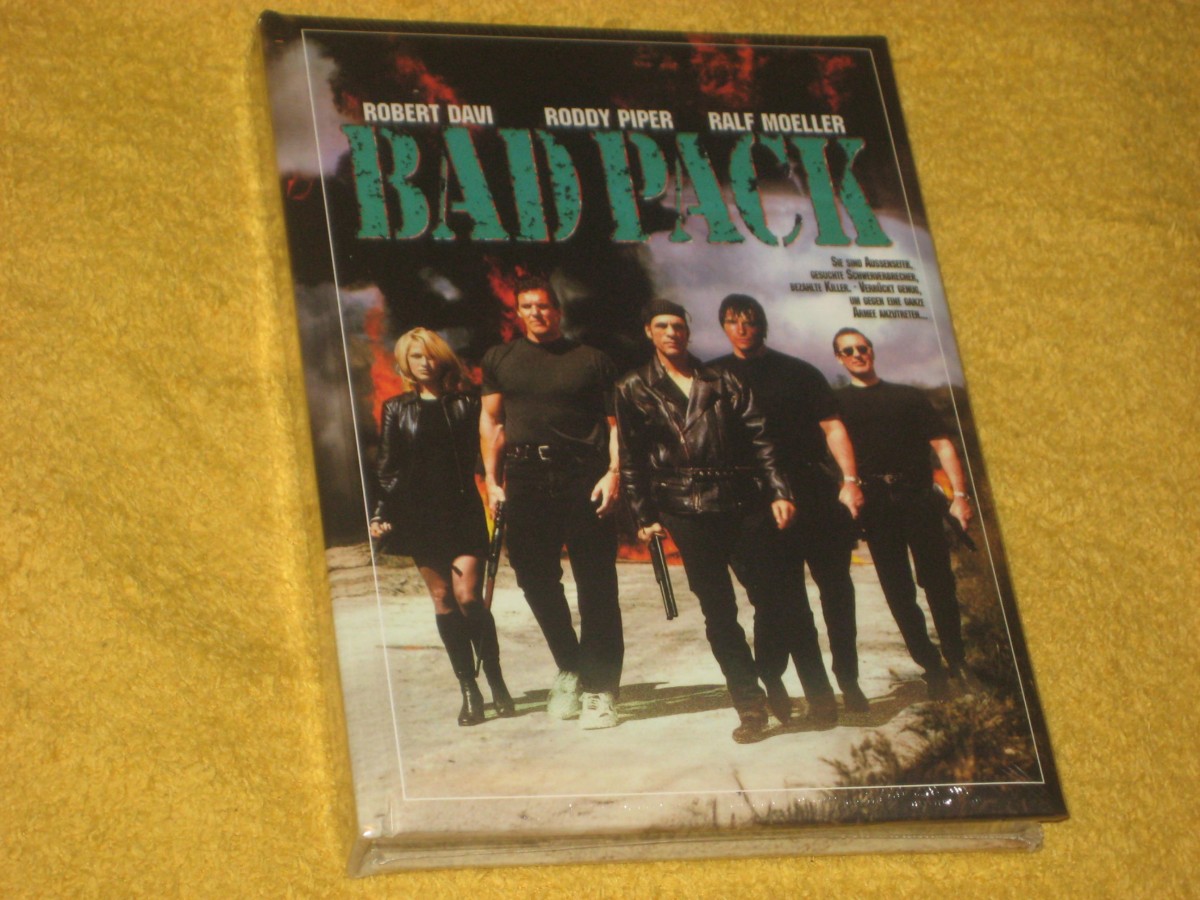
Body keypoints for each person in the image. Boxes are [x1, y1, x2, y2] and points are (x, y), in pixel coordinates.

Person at [616, 299, 804, 744]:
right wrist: (643, 515)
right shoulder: (633, 387)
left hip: (741, 501)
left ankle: (768, 673)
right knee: (719, 611)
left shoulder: (723, 379)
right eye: (662, 326)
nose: (671, 333)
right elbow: (631, 457)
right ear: (649, 332)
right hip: (684, 507)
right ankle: (750, 704)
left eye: (678, 326)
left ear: (688, 332)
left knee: (772, 600)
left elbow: (761, 439)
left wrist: (779, 491)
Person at [711, 294, 869, 716]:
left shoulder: (799, 372)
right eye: (733, 321)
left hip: (814, 492)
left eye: (749, 320)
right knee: (781, 602)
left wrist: (850, 481)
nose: (742, 328)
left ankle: (848, 680)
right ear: (724, 327)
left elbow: (832, 428)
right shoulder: (714, 376)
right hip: (758, 499)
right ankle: (791, 684)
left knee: (837, 592)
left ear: (762, 324)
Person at [479, 275, 624, 730]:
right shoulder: (500, 359)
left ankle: (600, 690)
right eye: (527, 306)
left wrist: (614, 473)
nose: (536, 313)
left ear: (557, 310)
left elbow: (615, 424)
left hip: (584, 476)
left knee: (596, 583)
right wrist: (492, 482)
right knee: (534, 578)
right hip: (525, 477)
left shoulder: (591, 360)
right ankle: (571, 667)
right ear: (517, 312)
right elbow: (492, 423)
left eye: (543, 305)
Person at [369, 328, 515, 726]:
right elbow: (388, 467)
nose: (424, 362)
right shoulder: (396, 408)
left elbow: (491, 446)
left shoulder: (467, 403)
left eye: (430, 355)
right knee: (442, 599)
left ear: (442, 359)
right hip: (420, 515)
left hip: (462, 510)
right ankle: (469, 689)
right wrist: (381, 512)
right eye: (416, 356)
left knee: (468, 597)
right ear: (406, 363)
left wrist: (497, 485)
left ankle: (496, 679)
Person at [832, 327, 973, 699]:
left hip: (918, 497)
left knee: (939, 582)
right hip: (877, 504)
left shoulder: (908, 396)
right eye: (848, 351)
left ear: (872, 351)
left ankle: (957, 661)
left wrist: (960, 495)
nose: (857, 354)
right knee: (898, 591)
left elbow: (943, 445)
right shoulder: (837, 404)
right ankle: (932, 667)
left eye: (862, 347)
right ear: (839, 358)